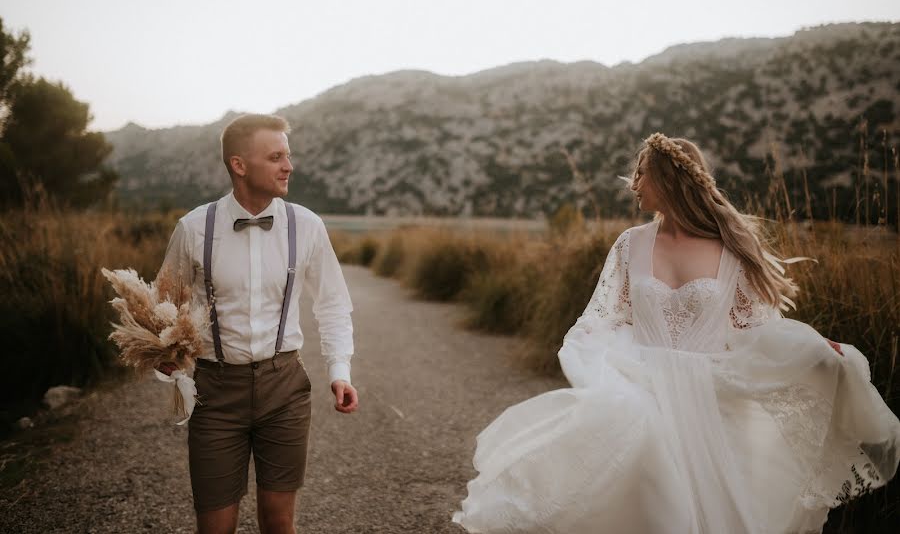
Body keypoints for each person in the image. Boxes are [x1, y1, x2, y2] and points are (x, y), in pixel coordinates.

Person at [452, 132, 900, 533]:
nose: (634, 181)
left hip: (711, 396)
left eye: (642, 172)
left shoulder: (731, 249)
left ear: (667, 179)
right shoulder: (631, 243)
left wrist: (814, 346)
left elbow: (756, 329)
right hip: (641, 383)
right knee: (650, 499)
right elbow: (606, 313)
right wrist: (586, 345)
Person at [156, 113, 358, 534]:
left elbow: (333, 304)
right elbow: (163, 306)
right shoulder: (193, 228)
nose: (289, 166)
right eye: (276, 157)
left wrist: (340, 371)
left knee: (279, 524)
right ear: (239, 165)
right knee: (215, 526)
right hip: (214, 394)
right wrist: (165, 355)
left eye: (288, 155)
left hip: (284, 389)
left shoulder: (307, 226)